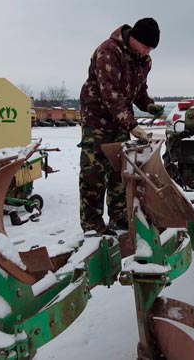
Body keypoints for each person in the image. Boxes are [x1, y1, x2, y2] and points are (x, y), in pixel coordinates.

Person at [78, 17, 164, 234]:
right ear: (133, 38)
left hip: (120, 120)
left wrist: (149, 105)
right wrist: (132, 125)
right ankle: (92, 224)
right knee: (93, 173)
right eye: (145, 46)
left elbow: (138, 91)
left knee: (119, 171)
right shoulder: (108, 52)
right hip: (97, 119)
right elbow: (111, 95)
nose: (148, 52)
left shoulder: (143, 60)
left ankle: (119, 216)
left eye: (151, 49)